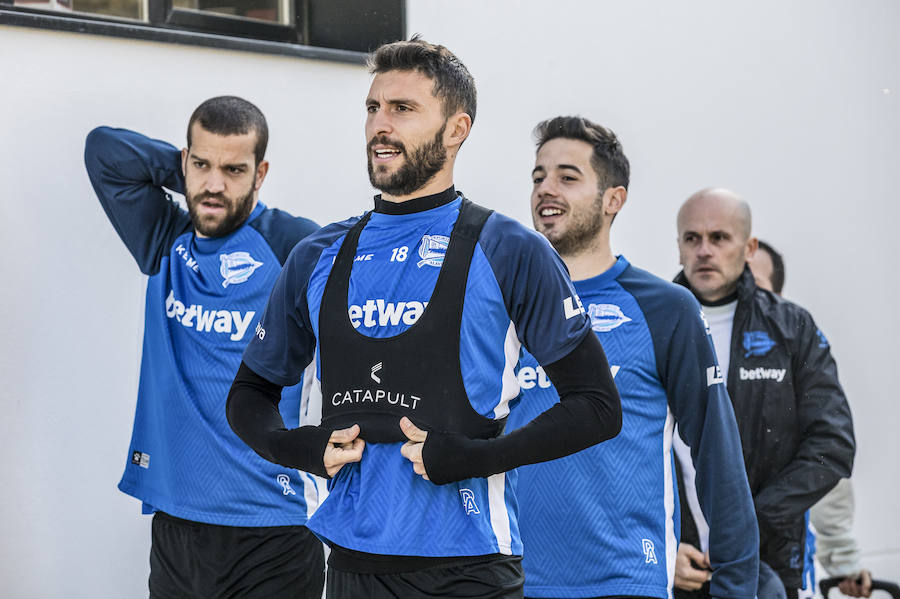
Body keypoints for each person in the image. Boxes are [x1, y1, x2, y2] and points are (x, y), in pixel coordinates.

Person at [226, 39, 622, 599]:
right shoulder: (318, 254)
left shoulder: (509, 248)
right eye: (373, 108)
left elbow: (598, 408)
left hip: (468, 570)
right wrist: (298, 449)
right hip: (348, 565)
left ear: (457, 129)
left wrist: (479, 458)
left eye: (402, 109)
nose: (380, 126)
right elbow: (248, 394)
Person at [505, 116, 758, 599]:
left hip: (625, 581)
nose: (545, 189)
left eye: (567, 176)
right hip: (508, 582)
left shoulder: (666, 308)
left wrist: (735, 588)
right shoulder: (502, 306)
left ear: (613, 199)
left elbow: (718, 459)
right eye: (538, 177)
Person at [84, 96, 324, 598]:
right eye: (202, 165)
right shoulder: (164, 238)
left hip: (273, 529)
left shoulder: (296, 245)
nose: (215, 184)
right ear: (185, 162)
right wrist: (192, 174)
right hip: (177, 522)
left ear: (261, 174)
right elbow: (103, 150)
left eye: (234, 170)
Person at [672, 188, 856, 598]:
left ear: (748, 246)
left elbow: (833, 443)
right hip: (673, 567)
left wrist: (753, 520)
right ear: (679, 245)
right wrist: (666, 545)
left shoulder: (791, 328)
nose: (704, 251)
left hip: (770, 563)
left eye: (719, 238)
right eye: (692, 238)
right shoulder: (652, 323)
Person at [748, 241, 872, 598]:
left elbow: (826, 464)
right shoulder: (686, 353)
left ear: (778, 296)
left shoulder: (795, 361)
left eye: (753, 284)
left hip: (782, 569)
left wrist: (845, 563)